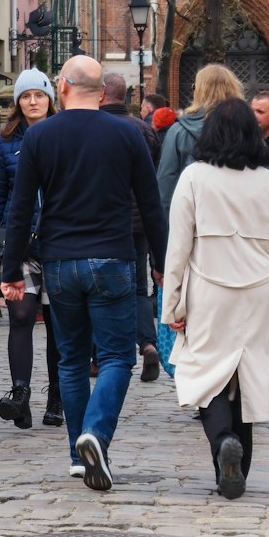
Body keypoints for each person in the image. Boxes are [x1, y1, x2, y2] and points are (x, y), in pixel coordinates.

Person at [0, 56, 168, 490]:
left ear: (65, 85)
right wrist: (163, 264)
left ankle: (80, 450)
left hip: (59, 261)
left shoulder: (40, 136)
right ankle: (96, 433)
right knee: (115, 357)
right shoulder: (127, 134)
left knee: (72, 359)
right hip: (112, 257)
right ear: (103, 90)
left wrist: (11, 268)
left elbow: (20, 209)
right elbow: (151, 205)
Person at [161, 99, 269, 499]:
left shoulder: (193, 178)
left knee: (205, 373)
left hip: (208, 289)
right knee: (245, 376)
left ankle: (222, 446)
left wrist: (172, 304)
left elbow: (177, 248)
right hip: (258, 292)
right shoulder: (267, 181)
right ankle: (237, 468)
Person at [0, 69, 63, 430]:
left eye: (38, 96)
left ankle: (56, 397)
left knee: (58, 325)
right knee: (22, 317)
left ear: (49, 99)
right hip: (19, 242)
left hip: (58, 240)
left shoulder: (64, 135)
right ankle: (21, 393)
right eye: (25, 96)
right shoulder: (7, 142)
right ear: (17, 102)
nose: (32, 102)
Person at [100, 72, 162, 383]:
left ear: (101, 94)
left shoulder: (93, 126)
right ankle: (148, 344)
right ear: (127, 97)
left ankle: (100, 355)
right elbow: (153, 180)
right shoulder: (143, 129)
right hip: (138, 223)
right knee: (138, 288)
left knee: (100, 289)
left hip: (104, 222)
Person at [157, 65, 245, 217]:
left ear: (199, 91)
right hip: (241, 224)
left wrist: (168, 233)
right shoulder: (247, 129)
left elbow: (166, 186)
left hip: (195, 222)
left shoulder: (179, 132)